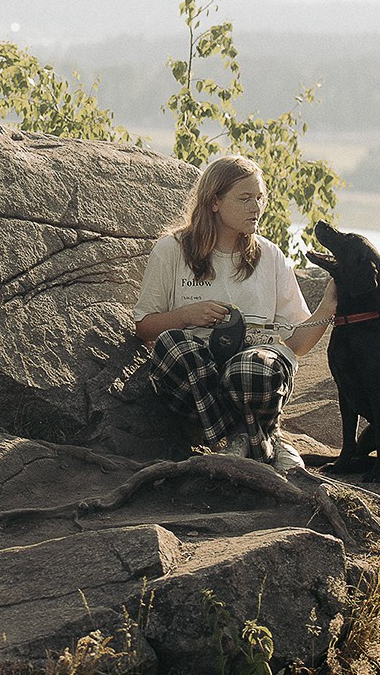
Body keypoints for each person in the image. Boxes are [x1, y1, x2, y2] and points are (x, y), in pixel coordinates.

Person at [132, 154, 338, 465]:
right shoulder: (172, 250)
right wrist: (187, 315)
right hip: (195, 385)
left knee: (251, 367)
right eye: (245, 198)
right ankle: (263, 437)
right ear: (214, 201)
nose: (256, 207)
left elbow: (296, 345)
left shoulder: (270, 256)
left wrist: (328, 305)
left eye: (260, 197)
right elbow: (144, 328)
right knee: (174, 346)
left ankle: (236, 443)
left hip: (253, 383)